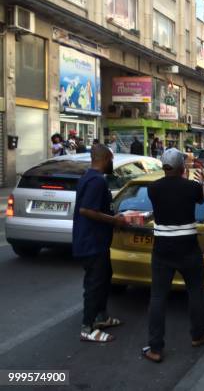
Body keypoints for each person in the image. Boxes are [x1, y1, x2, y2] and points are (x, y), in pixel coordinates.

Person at [142, 148, 204, 363]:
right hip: (188, 248)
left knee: (157, 297)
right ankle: (198, 335)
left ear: (164, 167)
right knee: (195, 291)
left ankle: (155, 348)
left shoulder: (153, 189)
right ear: (182, 167)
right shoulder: (191, 187)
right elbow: (203, 196)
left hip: (162, 249)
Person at [73, 144, 127, 343]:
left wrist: (114, 216)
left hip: (96, 241)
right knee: (95, 284)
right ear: (105, 159)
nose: (112, 163)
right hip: (91, 242)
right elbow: (86, 210)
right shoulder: (96, 181)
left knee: (105, 278)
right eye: (111, 159)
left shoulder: (89, 177)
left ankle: (101, 316)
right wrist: (115, 221)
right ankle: (87, 328)